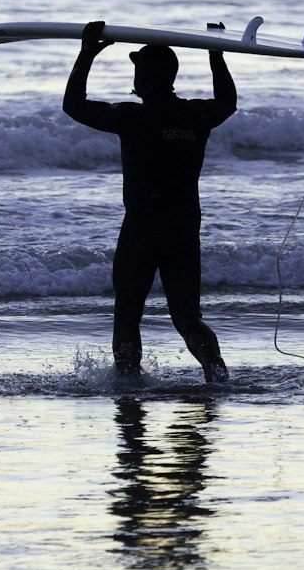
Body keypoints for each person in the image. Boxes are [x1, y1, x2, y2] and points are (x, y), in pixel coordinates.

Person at [63, 20, 236, 382]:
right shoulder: (195, 115)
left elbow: (73, 105)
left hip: (142, 227)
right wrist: (215, 53)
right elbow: (228, 102)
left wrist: (86, 54)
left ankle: (127, 383)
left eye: (138, 68)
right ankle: (216, 372)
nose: (135, 76)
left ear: (147, 78)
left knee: (127, 314)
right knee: (188, 317)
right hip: (183, 226)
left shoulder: (133, 118)